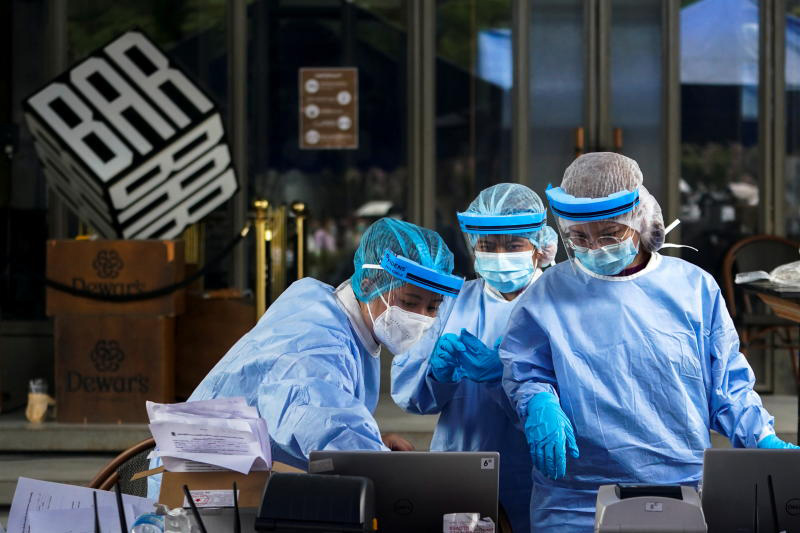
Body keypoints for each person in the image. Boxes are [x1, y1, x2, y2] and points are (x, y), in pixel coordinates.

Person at [500, 152, 799, 532]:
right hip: (575, 497)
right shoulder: (548, 293)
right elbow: (524, 370)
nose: (593, 247)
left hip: (678, 489)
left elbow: (726, 384)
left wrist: (762, 439)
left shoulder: (693, 288)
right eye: (579, 237)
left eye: (608, 234)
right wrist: (537, 400)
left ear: (639, 220)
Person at [147, 217, 463, 498]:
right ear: (368, 285)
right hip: (200, 494)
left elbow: (323, 418)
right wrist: (381, 462)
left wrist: (374, 443)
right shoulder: (317, 338)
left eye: (432, 307)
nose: (421, 318)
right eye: (409, 302)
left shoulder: (334, 314)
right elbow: (322, 420)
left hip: (230, 484)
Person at [392, 183, 558, 533]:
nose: (499, 254)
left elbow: (581, 401)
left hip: (537, 475)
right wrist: (437, 374)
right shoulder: (452, 302)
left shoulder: (559, 304)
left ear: (539, 246)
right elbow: (412, 398)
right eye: (487, 244)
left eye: (513, 244)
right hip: (459, 465)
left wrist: (508, 378)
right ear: (473, 246)